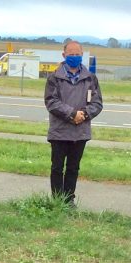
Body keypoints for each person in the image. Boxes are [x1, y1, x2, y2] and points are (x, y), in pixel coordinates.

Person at [44, 40, 103, 205]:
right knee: (57, 168)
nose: (74, 57)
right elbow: (51, 102)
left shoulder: (90, 78)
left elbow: (97, 103)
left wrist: (84, 114)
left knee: (73, 168)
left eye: (77, 54)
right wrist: (71, 114)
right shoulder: (54, 78)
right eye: (71, 54)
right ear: (64, 55)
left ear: (82, 55)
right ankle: (57, 201)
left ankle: (69, 200)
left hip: (80, 132)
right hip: (59, 131)